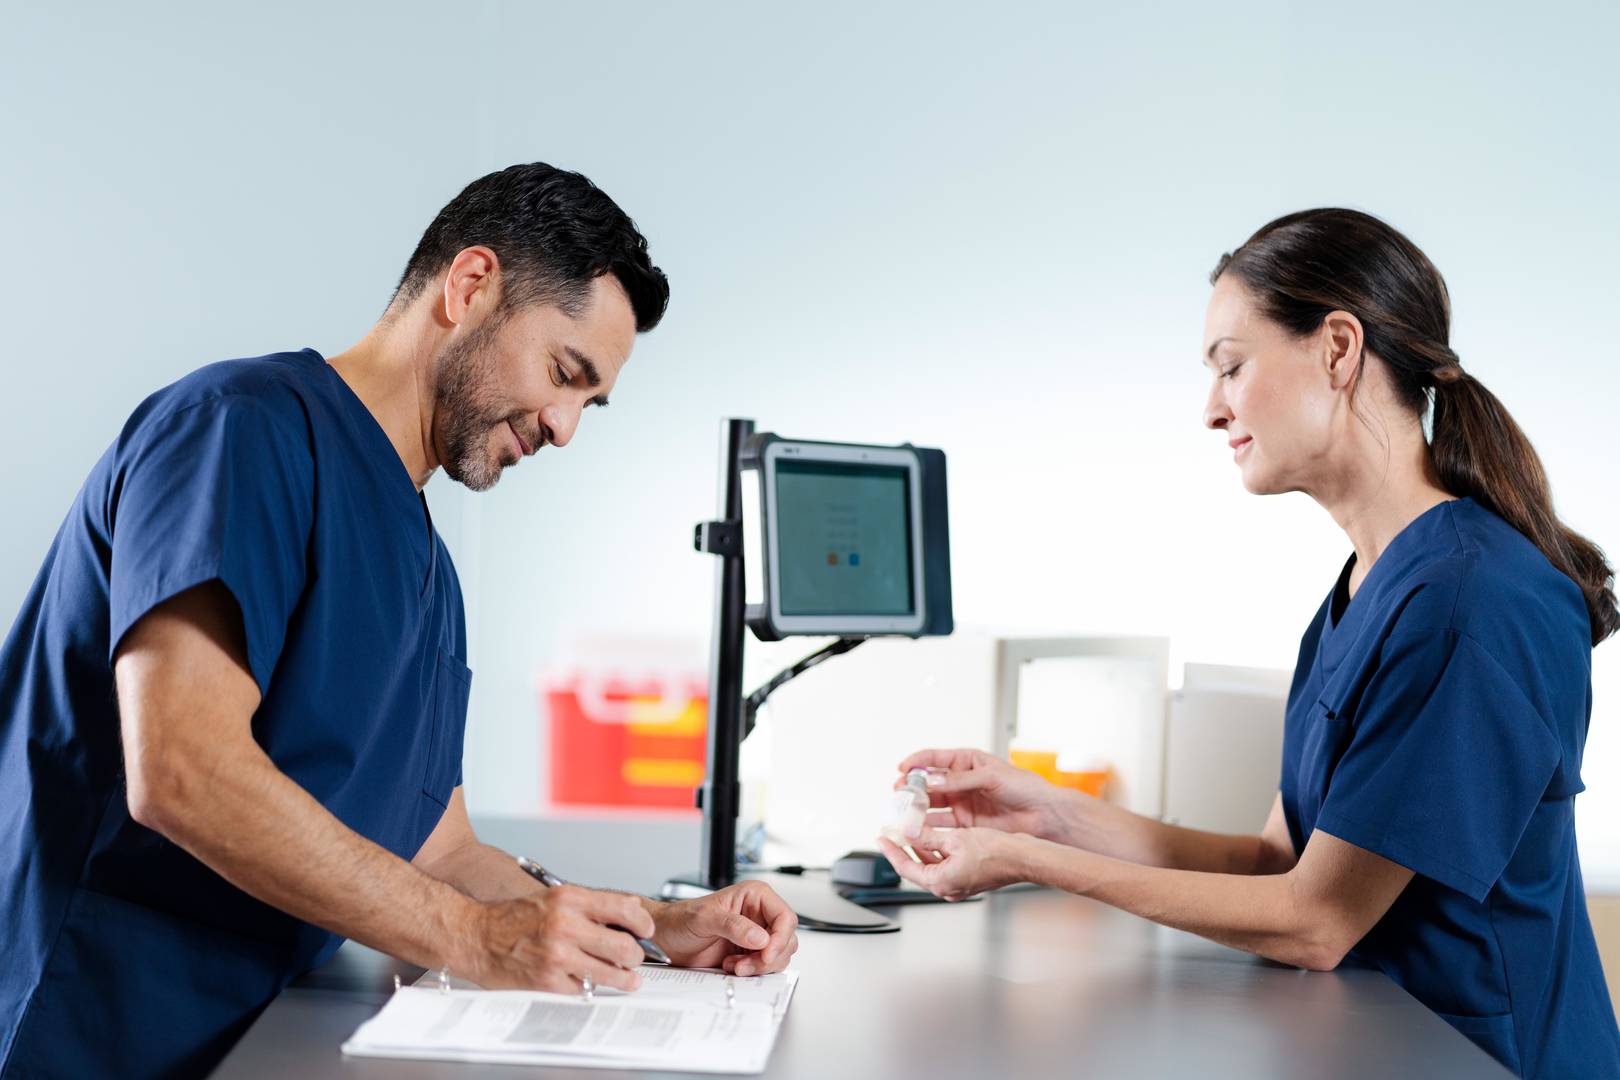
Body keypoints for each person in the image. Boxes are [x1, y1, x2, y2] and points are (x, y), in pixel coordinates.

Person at [0, 162, 798, 1079]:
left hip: (261, 1039)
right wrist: (473, 939)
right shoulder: (240, 432)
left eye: (591, 402)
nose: (566, 426)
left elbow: (442, 848)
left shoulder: (428, 571)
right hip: (93, 1034)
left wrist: (653, 927)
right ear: (470, 286)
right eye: (564, 374)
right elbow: (183, 771)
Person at [879, 209, 1620, 1078]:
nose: (1211, 408)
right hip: (1382, 1046)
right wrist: (1045, 812)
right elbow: (1275, 861)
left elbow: (1315, 920)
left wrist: (1022, 859)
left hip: (1489, 1060)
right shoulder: (1363, 590)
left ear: (1339, 350)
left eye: (1231, 366)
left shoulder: (1472, 602)